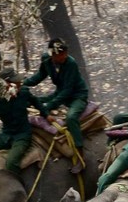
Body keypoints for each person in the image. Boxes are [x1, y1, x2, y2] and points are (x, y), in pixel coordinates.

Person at [23, 38, 89, 173]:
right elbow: (39, 76)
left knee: (71, 118)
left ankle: (80, 155)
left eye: (65, 53)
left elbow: (68, 90)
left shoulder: (71, 63)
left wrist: (49, 106)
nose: (64, 56)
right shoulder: (46, 60)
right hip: (59, 93)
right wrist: (22, 84)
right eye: (60, 55)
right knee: (34, 101)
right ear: (52, 54)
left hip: (76, 95)